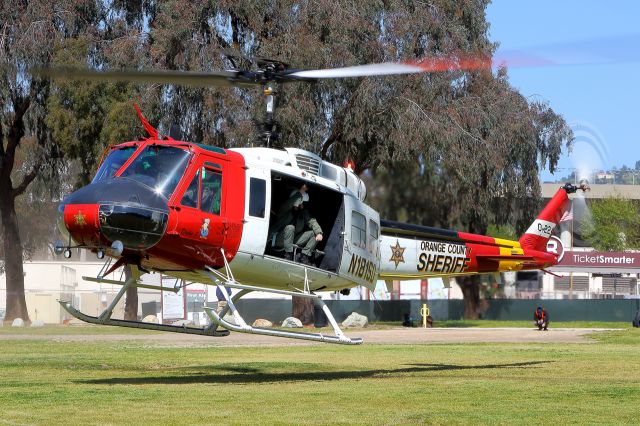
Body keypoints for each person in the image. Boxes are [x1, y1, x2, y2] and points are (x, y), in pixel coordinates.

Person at [270, 183, 323, 265]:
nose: (302, 206)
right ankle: (288, 255)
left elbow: (311, 221)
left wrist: (319, 233)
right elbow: (289, 203)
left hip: (292, 239)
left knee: (314, 233)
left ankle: (304, 256)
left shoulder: (302, 213)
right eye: (301, 203)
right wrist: (301, 192)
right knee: (290, 227)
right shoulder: (284, 210)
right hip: (279, 239)